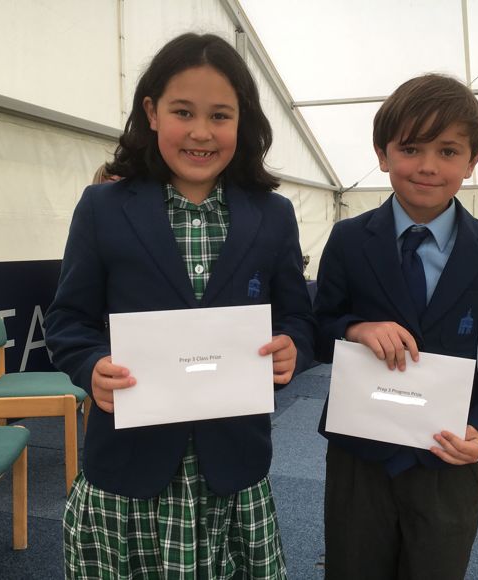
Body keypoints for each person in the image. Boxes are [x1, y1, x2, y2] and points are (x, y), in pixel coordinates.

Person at [44, 32, 315, 579]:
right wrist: (90, 365)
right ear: (152, 112)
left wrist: (294, 347)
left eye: (220, 116)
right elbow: (68, 319)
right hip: (128, 464)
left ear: (242, 121)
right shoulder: (102, 208)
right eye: (183, 112)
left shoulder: (272, 214)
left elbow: (297, 317)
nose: (201, 132)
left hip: (232, 464)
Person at [313, 73, 478, 579]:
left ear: (473, 161)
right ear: (382, 153)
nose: (428, 166)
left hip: (447, 454)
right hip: (360, 452)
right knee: (352, 567)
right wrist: (355, 329)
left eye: (448, 151)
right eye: (411, 148)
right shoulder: (349, 239)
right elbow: (319, 327)